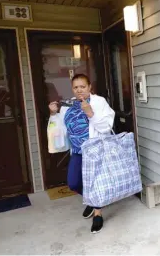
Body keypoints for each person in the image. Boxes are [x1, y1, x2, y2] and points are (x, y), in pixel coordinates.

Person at [48, 74, 115, 234]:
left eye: (82, 87)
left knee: (96, 183)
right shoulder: (68, 106)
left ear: (89, 87)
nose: (79, 90)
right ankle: (92, 201)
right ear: (72, 89)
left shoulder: (99, 102)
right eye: (76, 87)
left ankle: (97, 214)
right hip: (77, 152)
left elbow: (106, 127)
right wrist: (53, 114)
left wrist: (90, 113)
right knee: (73, 183)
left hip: (95, 151)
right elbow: (60, 130)